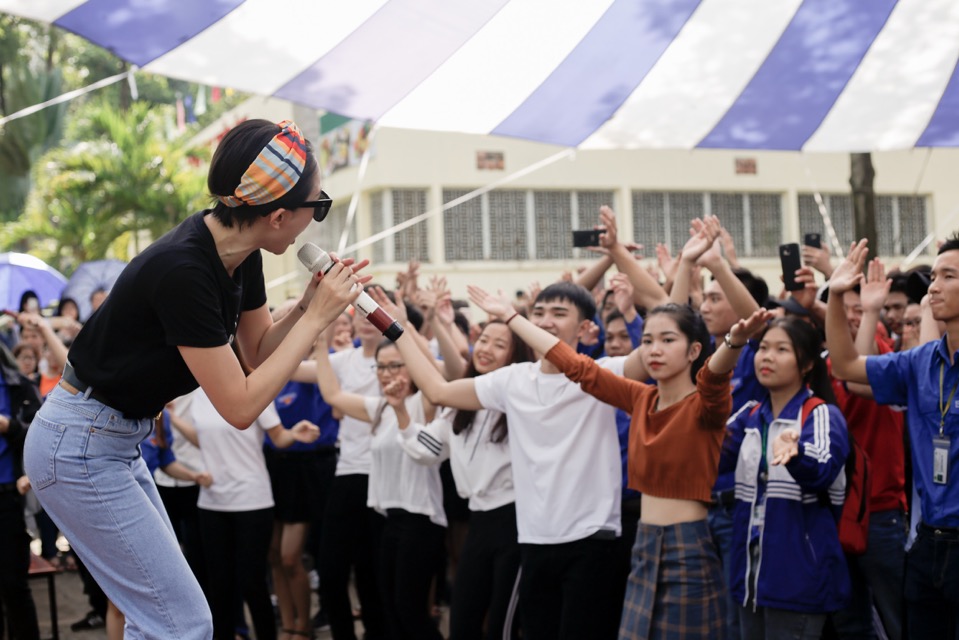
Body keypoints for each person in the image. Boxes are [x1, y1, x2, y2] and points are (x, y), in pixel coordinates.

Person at [22, 118, 364, 639]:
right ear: (276, 216)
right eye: (316, 207)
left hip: (107, 440)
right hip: (80, 444)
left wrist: (308, 307)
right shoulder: (184, 270)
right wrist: (317, 320)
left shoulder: (236, 250)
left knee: (162, 619)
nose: (314, 222)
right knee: (183, 622)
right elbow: (241, 405)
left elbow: (257, 351)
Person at [469, 279, 768, 638]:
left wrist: (733, 343)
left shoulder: (705, 406)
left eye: (668, 341)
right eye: (647, 342)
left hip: (688, 545)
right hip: (643, 541)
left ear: (693, 352)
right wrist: (512, 317)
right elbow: (576, 367)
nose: (654, 350)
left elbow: (715, 377)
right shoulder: (639, 399)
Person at [375, 279, 636, 640]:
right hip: (533, 539)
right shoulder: (512, 381)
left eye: (559, 314)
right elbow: (437, 390)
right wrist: (395, 328)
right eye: (539, 312)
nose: (545, 321)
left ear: (586, 327)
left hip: (592, 537)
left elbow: (657, 352)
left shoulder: (603, 373)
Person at [826, 238, 959, 638]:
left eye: (948, 276)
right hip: (927, 545)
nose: (933, 286)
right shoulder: (921, 362)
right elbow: (846, 365)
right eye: (933, 276)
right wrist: (835, 297)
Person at [396, 309, 534, 640]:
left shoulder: (522, 401)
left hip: (515, 521)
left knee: (502, 626)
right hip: (478, 521)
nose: (486, 349)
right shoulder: (460, 402)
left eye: (500, 345)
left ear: (517, 355)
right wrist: (400, 411)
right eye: (484, 339)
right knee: (463, 622)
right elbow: (428, 451)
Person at [722, 317, 850, 638]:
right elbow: (711, 453)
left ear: (806, 364)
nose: (767, 357)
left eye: (781, 349)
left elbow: (821, 469)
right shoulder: (750, 414)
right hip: (748, 576)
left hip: (797, 578)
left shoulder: (820, 414)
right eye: (763, 348)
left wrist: (797, 454)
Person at [313, 334, 445, 640]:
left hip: (421, 519)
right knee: (392, 611)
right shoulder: (380, 408)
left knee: (411, 613)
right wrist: (320, 347)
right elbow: (332, 394)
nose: (387, 373)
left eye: (395, 365)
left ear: (411, 367)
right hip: (390, 521)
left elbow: (439, 374)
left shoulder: (426, 401)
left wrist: (405, 328)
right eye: (381, 367)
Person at [0, 342, 43, 640]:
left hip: (8, 495)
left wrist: (8, 427)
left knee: (13, 583)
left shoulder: (18, 386)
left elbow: (41, 435)